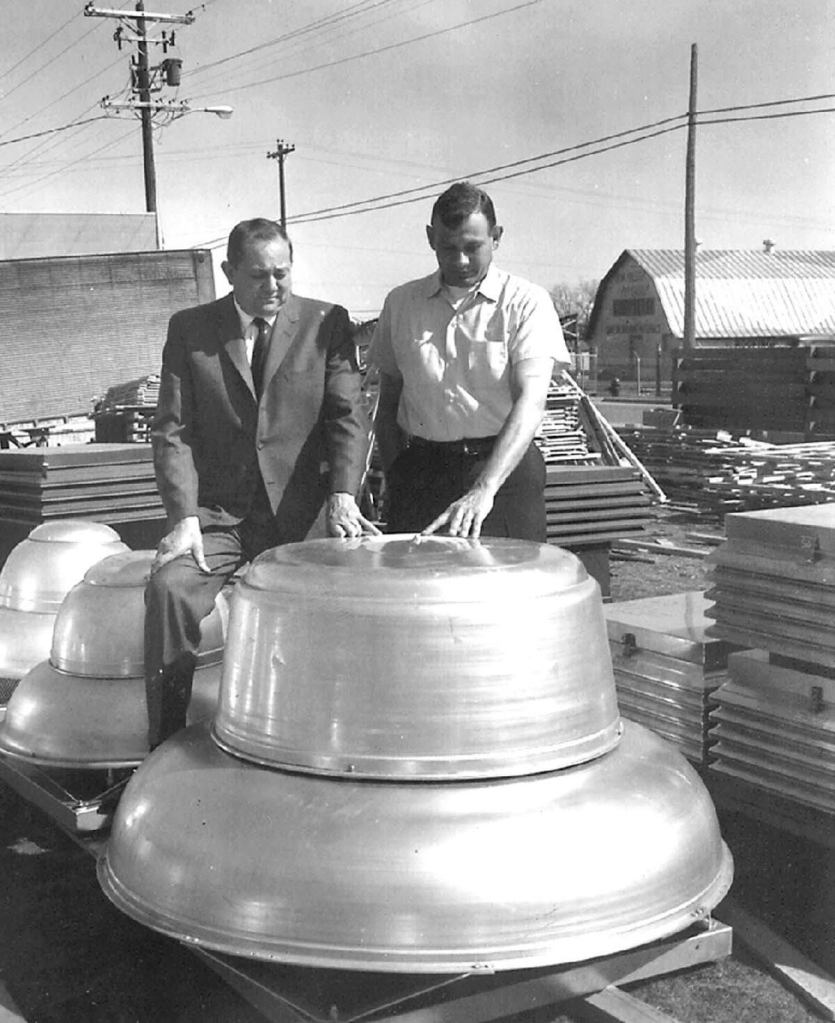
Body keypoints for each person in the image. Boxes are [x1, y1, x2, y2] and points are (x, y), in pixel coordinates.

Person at [144, 217, 379, 749]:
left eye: (283, 274)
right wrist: (183, 519)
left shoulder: (327, 323)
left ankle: (327, 742)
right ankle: (163, 748)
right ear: (229, 272)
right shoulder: (191, 329)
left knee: (338, 606)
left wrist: (343, 493)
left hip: (302, 515)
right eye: (259, 276)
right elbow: (172, 430)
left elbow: (348, 414)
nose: (273, 287)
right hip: (221, 516)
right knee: (169, 590)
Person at [368, 181, 571, 541]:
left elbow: (531, 400)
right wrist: (396, 472)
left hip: (502, 474)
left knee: (505, 588)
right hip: (421, 473)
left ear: (496, 237)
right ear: (431, 238)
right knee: (417, 589)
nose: (460, 260)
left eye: (472, 247)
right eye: (448, 247)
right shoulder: (400, 304)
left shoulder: (526, 303)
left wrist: (484, 488)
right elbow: (389, 399)